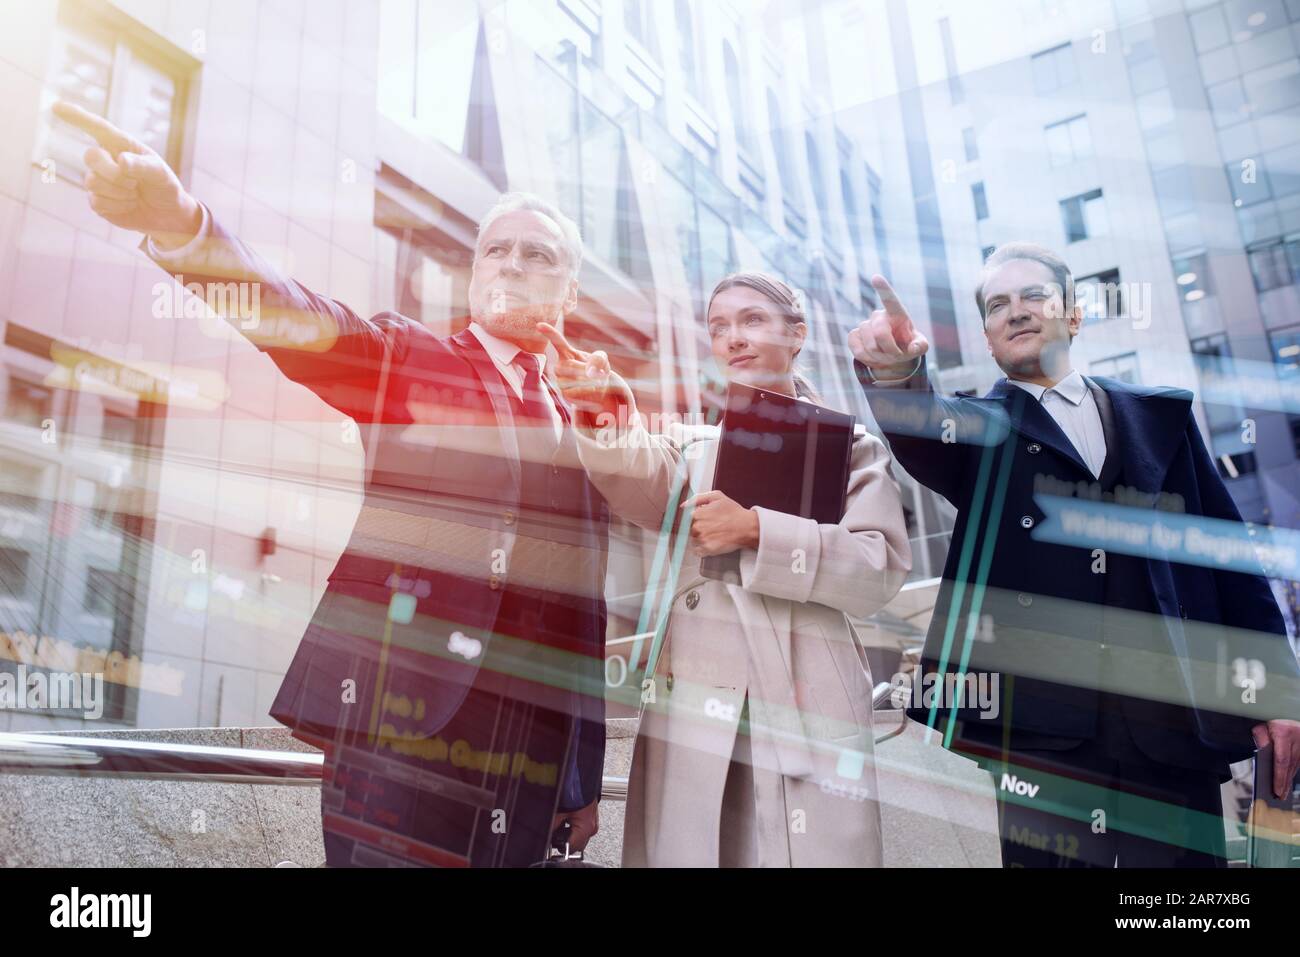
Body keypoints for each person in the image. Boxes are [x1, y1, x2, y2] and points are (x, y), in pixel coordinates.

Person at [56, 101, 609, 867]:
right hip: (400, 725)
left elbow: (585, 611)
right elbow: (298, 319)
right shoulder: (415, 358)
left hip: (530, 759)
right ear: (476, 271)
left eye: (537, 256)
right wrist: (187, 227)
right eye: (496, 250)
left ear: (570, 295)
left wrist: (581, 773)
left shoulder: (588, 425)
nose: (511, 264)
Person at [848, 244, 1300, 867]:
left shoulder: (1159, 419)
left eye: (1034, 295)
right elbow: (923, 423)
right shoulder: (976, 429)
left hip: (1171, 723)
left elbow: (1228, 561)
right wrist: (895, 372)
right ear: (986, 336)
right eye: (998, 305)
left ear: (1075, 316)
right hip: (1040, 737)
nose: (1016, 312)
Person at [543, 271, 911, 866]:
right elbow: (635, 470)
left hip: (805, 691)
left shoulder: (852, 447)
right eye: (719, 327)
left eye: (752, 320)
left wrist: (756, 530)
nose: (733, 338)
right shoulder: (691, 448)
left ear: (798, 334)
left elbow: (877, 569)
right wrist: (601, 404)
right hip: (699, 694)